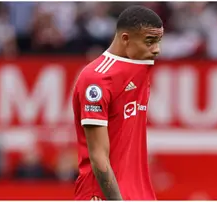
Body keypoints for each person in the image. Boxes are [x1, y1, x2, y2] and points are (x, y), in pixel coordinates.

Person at [72, 5, 164, 200]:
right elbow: (98, 156)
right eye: (150, 41)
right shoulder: (96, 79)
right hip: (102, 195)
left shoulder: (139, 71)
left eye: (158, 41)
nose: (157, 50)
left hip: (139, 194)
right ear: (125, 39)